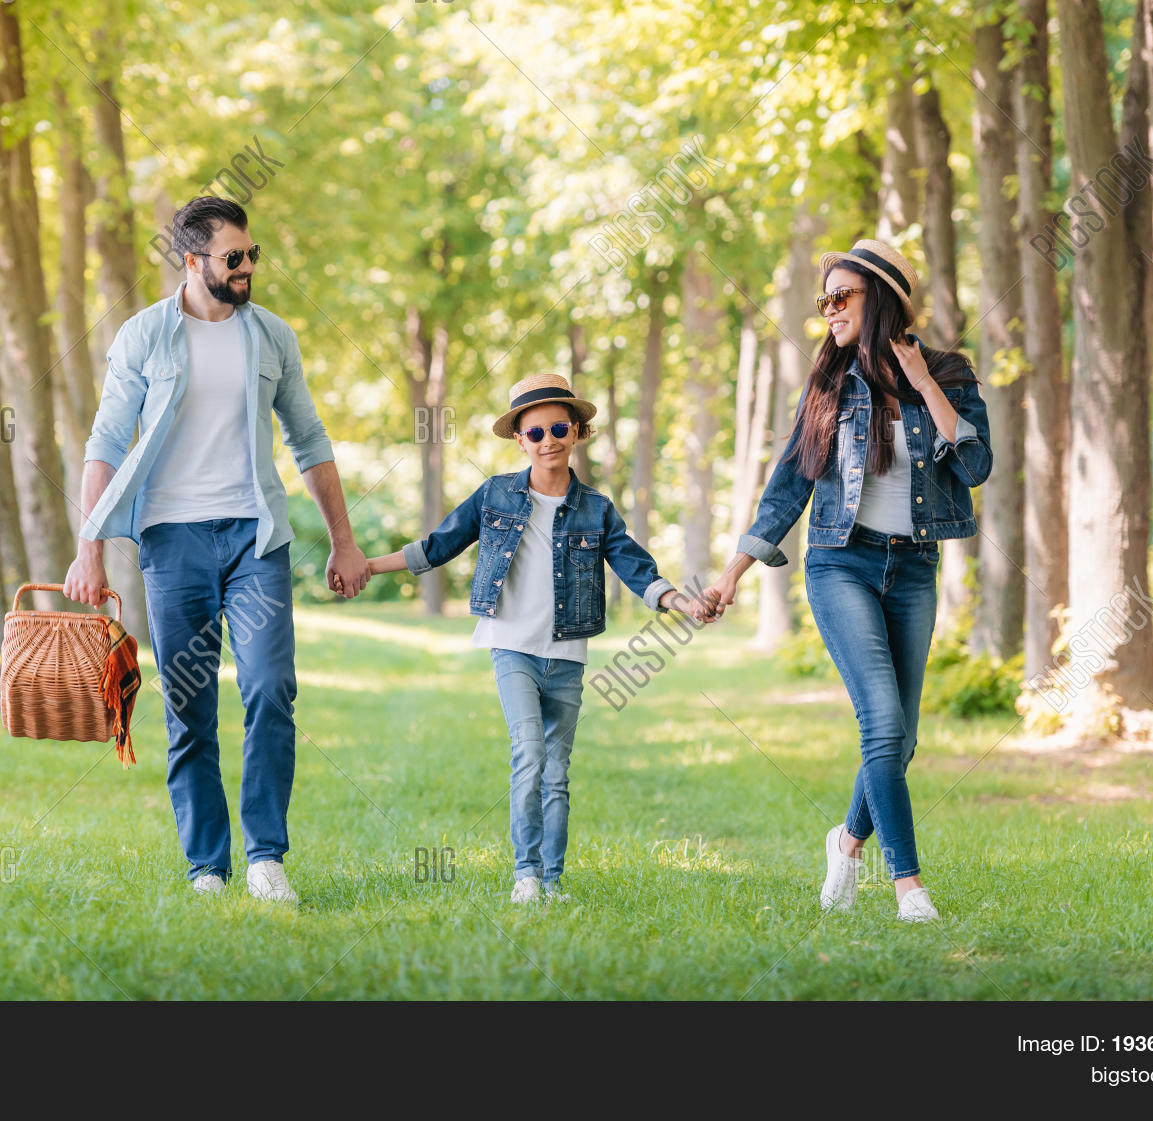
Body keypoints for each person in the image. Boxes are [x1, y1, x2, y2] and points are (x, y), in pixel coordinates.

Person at [64, 196, 370, 904]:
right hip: (171, 540)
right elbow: (105, 443)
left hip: (254, 537)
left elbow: (309, 440)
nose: (247, 267)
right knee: (190, 704)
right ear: (192, 260)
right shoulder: (144, 336)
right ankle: (207, 864)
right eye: (234, 257)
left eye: (251, 254)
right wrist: (89, 550)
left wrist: (345, 542)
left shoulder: (272, 337)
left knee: (269, 686)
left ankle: (266, 857)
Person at [704, 238, 992, 922]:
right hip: (841, 563)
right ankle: (909, 886)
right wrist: (734, 572)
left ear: (880, 299)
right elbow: (787, 487)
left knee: (903, 738)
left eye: (841, 296)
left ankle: (848, 840)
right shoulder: (829, 385)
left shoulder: (950, 375)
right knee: (882, 723)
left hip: (914, 566)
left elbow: (975, 467)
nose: (829, 310)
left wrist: (923, 382)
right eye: (823, 300)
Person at [365, 374, 712, 903]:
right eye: (535, 432)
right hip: (512, 647)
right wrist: (367, 566)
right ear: (519, 440)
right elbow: (438, 545)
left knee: (556, 772)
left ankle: (552, 882)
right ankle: (525, 875)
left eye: (558, 428)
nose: (548, 440)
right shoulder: (495, 494)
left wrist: (679, 601)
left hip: (567, 653)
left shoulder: (596, 508)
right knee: (528, 753)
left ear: (577, 432)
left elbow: (634, 565)